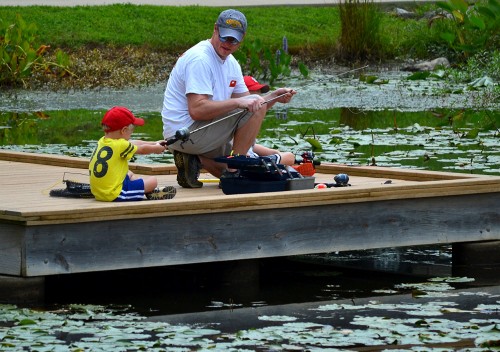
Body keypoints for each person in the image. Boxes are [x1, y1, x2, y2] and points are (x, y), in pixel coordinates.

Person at [161, 9, 296, 188]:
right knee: (240, 171)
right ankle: (235, 172)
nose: (229, 43)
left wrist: (274, 97)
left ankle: (195, 159)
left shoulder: (231, 63)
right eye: (225, 37)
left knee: (246, 172)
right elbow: (197, 110)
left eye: (234, 39)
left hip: (199, 136)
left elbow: (253, 108)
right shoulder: (200, 59)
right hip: (185, 132)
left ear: (243, 38)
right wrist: (238, 102)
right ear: (215, 29)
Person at [89, 106, 176, 202]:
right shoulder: (121, 145)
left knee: (129, 173)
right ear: (124, 130)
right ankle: (147, 190)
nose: (131, 134)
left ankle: (143, 190)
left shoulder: (103, 141)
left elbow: (134, 143)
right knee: (153, 181)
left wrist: (154, 143)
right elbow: (142, 149)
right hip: (114, 194)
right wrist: (156, 149)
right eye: (131, 132)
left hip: (99, 191)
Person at [242, 75, 295, 166]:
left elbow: (251, 146)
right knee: (289, 158)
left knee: (287, 156)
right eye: (254, 94)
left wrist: (273, 152)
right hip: (248, 163)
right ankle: (266, 163)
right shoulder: (235, 120)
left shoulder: (246, 118)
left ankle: (270, 160)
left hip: (251, 157)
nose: (258, 98)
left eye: (259, 94)